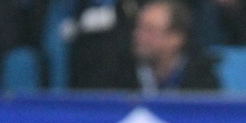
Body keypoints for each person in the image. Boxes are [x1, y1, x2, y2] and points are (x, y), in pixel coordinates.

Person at [70, 0, 220, 92]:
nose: (139, 37)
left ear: (176, 38)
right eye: (139, 28)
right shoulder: (115, 71)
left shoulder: (202, 79)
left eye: (150, 30)